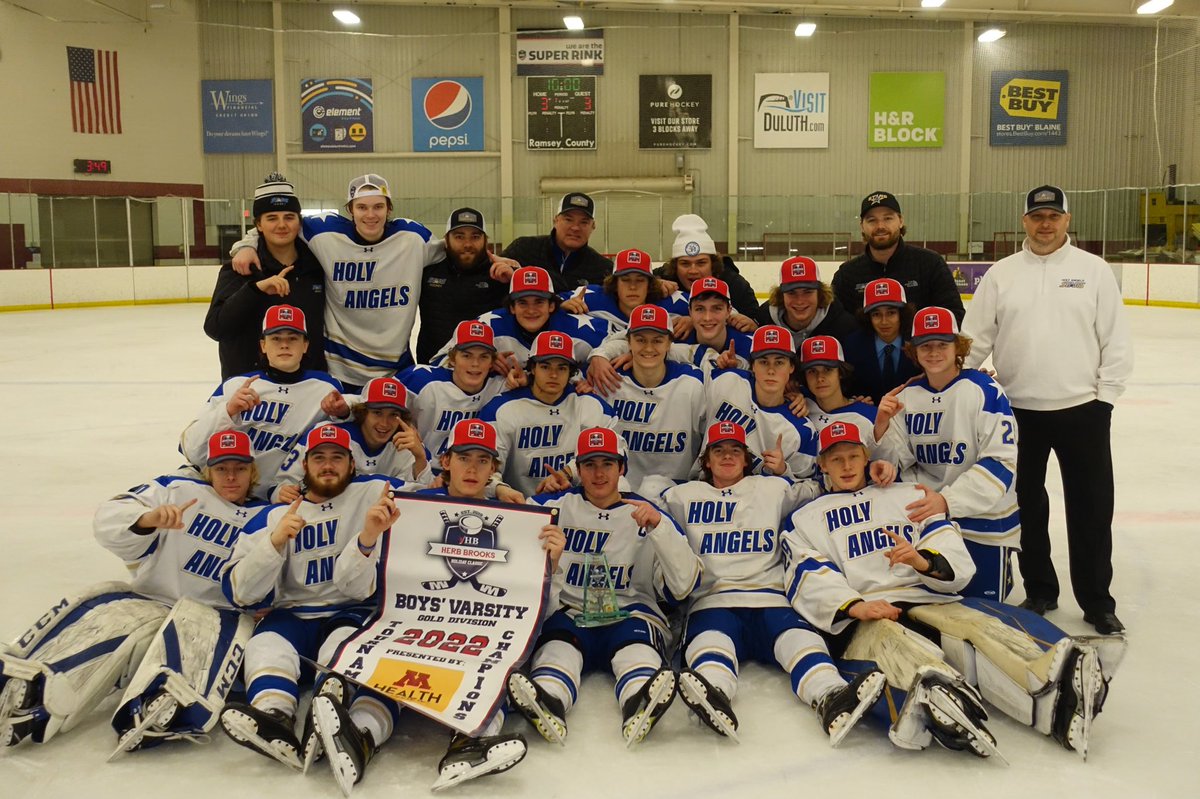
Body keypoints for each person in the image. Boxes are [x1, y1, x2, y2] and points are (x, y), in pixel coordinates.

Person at [781, 422, 1125, 759]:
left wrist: (922, 561)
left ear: (866, 456)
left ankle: (1051, 681)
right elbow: (807, 571)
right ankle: (935, 696)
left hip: (926, 597)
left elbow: (945, 539)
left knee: (977, 626)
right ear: (822, 464)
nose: (846, 466)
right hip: (871, 611)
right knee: (892, 644)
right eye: (836, 459)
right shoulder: (806, 519)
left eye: (853, 456)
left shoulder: (906, 496)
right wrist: (855, 606)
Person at [305, 419, 564, 793]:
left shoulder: (522, 524)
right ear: (446, 461)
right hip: (413, 627)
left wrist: (549, 568)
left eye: (482, 460)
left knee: (494, 670)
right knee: (390, 668)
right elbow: (351, 585)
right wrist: (368, 537)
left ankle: (469, 745)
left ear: (494, 469)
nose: (472, 468)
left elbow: (541, 613)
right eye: (463, 458)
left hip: (481, 635)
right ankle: (357, 738)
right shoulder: (408, 508)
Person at [0, 431, 263, 754]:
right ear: (209, 470)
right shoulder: (177, 490)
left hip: (215, 614)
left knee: (194, 647)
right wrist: (146, 519)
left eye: (240, 468)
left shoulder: (267, 515)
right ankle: (32, 684)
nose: (231, 477)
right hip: (152, 599)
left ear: (253, 471)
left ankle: (162, 707)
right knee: (105, 619)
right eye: (222, 468)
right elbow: (109, 517)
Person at [962, 185, 1133, 635]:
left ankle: (1097, 601)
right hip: (1018, 411)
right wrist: (961, 383)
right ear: (1025, 221)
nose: (1045, 224)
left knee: (1091, 507)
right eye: (1037, 216)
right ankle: (1040, 589)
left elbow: (1115, 339)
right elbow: (974, 339)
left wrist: (1106, 398)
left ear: (1066, 220)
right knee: (1027, 504)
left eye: (1053, 216)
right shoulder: (1001, 275)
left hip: (1083, 409)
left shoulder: (1093, 271)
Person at [658, 421, 887, 746]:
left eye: (735, 450)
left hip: (772, 599)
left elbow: (829, 485)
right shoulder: (680, 497)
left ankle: (830, 695)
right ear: (706, 460)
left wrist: (786, 471)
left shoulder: (774, 488)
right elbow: (633, 508)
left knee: (800, 640)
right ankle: (712, 691)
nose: (727, 456)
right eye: (718, 451)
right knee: (711, 641)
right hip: (713, 601)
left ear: (747, 458)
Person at [218, 424, 420, 769]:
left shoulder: (375, 491)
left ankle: (334, 714)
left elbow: (438, 494)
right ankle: (274, 719)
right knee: (265, 644)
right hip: (292, 615)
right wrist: (273, 544)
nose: (328, 465)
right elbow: (239, 592)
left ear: (352, 464)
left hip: (352, 611)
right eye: (319, 458)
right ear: (305, 465)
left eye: (337, 458)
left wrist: (498, 489)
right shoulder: (274, 517)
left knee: (342, 646)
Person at [231, 175, 515, 391]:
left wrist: (498, 260)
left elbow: (458, 248)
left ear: (389, 209)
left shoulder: (412, 237)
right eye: (362, 207)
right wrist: (245, 244)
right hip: (339, 370)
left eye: (378, 206)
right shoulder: (324, 232)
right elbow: (281, 227)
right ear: (350, 210)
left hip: (396, 369)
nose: (371, 214)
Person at [510, 427, 701, 746]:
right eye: (590, 465)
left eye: (607, 464)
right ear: (578, 469)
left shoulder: (648, 513)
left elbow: (683, 587)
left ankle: (640, 698)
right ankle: (549, 698)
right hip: (571, 613)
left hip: (631, 614)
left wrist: (661, 530)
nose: (599, 474)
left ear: (621, 468)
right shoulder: (551, 509)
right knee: (557, 648)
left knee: (637, 650)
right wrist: (549, 564)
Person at [870, 308, 1019, 601]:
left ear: (958, 347)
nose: (934, 352)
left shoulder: (985, 390)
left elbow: (1000, 461)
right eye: (926, 346)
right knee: (930, 607)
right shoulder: (906, 396)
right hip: (928, 519)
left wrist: (947, 500)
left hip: (983, 520)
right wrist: (882, 428)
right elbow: (896, 463)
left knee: (982, 608)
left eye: (942, 344)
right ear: (914, 351)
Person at [180, 305, 343, 499]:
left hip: (280, 497)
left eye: (293, 338)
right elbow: (190, 449)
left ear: (305, 345)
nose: (284, 345)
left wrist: (343, 411)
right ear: (263, 345)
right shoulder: (236, 386)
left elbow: (337, 446)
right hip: (223, 494)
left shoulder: (326, 389)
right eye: (276, 339)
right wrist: (228, 411)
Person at [204, 173, 327, 380]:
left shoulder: (317, 266)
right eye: (272, 218)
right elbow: (216, 328)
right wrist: (255, 289)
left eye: (289, 217)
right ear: (258, 225)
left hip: (306, 386)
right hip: (250, 388)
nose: (282, 225)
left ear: (299, 222)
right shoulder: (240, 269)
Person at [478, 330, 615, 496]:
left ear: (571, 371)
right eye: (545, 366)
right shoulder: (501, 410)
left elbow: (614, 454)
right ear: (533, 368)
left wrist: (568, 473)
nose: (554, 375)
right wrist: (499, 489)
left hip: (576, 502)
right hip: (518, 504)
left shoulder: (591, 405)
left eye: (561, 368)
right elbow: (483, 466)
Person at [271, 376, 432, 501]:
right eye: (377, 413)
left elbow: (420, 497)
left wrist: (420, 457)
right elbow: (280, 485)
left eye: (393, 415)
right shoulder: (325, 433)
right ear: (363, 412)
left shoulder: (407, 444)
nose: (384, 423)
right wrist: (281, 492)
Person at [601, 304, 707, 492]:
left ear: (669, 343)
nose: (648, 348)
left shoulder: (693, 383)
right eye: (640, 340)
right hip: (618, 495)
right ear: (629, 342)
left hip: (678, 494)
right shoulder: (608, 380)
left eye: (657, 340)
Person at [586, 276, 752, 394]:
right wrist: (600, 355)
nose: (707, 317)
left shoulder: (748, 342)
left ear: (729, 311)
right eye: (700, 309)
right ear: (689, 312)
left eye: (717, 308)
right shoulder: (678, 331)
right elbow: (625, 337)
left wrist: (737, 367)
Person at [428, 265, 611, 369]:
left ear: (552, 305)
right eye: (523, 303)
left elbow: (624, 343)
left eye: (539, 302)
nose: (531, 310)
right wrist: (484, 362)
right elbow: (439, 362)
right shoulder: (487, 326)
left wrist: (599, 357)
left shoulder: (584, 331)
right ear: (512, 307)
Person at [707, 325, 821, 481]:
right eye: (763, 362)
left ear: (791, 367)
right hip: (704, 486)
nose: (771, 370)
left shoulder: (802, 432)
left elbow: (810, 487)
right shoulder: (726, 380)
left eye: (779, 363)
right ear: (753, 366)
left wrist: (784, 472)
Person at [831, 191, 965, 322]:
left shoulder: (930, 264)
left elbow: (954, 315)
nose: (880, 226)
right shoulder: (847, 274)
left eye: (888, 218)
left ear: (900, 221)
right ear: (862, 226)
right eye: (872, 220)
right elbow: (836, 322)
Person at [399, 320, 508, 470]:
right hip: (420, 470)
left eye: (483, 357)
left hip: (469, 474)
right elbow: (373, 402)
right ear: (451, 359)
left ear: (492, 362)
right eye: (466, 356)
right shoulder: (420, 380)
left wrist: (525, 380)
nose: (475, 363)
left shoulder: (501, 386)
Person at [796, 335, 908, 468]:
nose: (820, 378)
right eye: (812, 371)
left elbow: (891, 466)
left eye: (828, 370)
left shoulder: (871, 416)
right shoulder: (797, 405)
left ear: (840, 372)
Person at [414, 207, 509, 364]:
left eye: (475, 237)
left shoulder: (501, 276)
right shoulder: (428, 271)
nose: (467, 244)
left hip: (481, 369)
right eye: (459, 237)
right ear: (446, 240)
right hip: (433, 369)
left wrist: (515, 277)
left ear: (485, 241)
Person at [654, 213, 760, 328]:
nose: (693, 271)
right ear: (675, 267)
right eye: (685, 264)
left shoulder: (735, 285)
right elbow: (643, 279)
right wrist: (652, 285)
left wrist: (753, 324)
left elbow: (757, 321)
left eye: (701, 263)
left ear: (713, 265)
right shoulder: (665, 276)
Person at [502, 192, 612, 292]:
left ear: (593, 226)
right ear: (555, 221)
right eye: (568, 220)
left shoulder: (603, 269)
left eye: (584, 222)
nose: (575, 228)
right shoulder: (523, 249)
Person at [557, 247, 678, 333]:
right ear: (615, 284)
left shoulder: (672, 305)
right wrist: (562, 305)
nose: (632, 287)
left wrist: (687, 320)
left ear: (649, 285)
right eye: (625, 280)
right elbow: (551, 303)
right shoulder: (589, 297)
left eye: (640, 280)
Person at [842, 278, 921, 403]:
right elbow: (846, 388)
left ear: (902, 314)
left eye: (891, 313)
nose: (884, 322)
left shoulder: (918, 342)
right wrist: (854, 401)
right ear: (868, 317)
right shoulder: (852, 346)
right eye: (876, 314)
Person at [755, 256, 858, 346]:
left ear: (820, 293)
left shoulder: (845, 328)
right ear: (781, 295)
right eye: (791, 293)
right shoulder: (762, 322)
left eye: (807, 292)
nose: (800, 301)